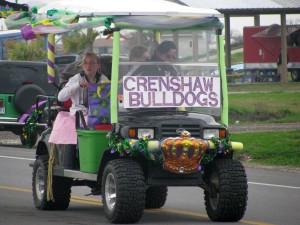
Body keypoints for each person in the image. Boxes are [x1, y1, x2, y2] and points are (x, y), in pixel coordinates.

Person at [49, 52, 109, 145]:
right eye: (86, 63)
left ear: (98, 65)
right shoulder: (76, 79)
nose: (89, 65)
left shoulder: (103, 79)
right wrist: (77, 85)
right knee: (88, 122)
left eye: (92, 63)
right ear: (82, 65)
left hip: (99, 113)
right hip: (78, 114)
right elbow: (61, 97)